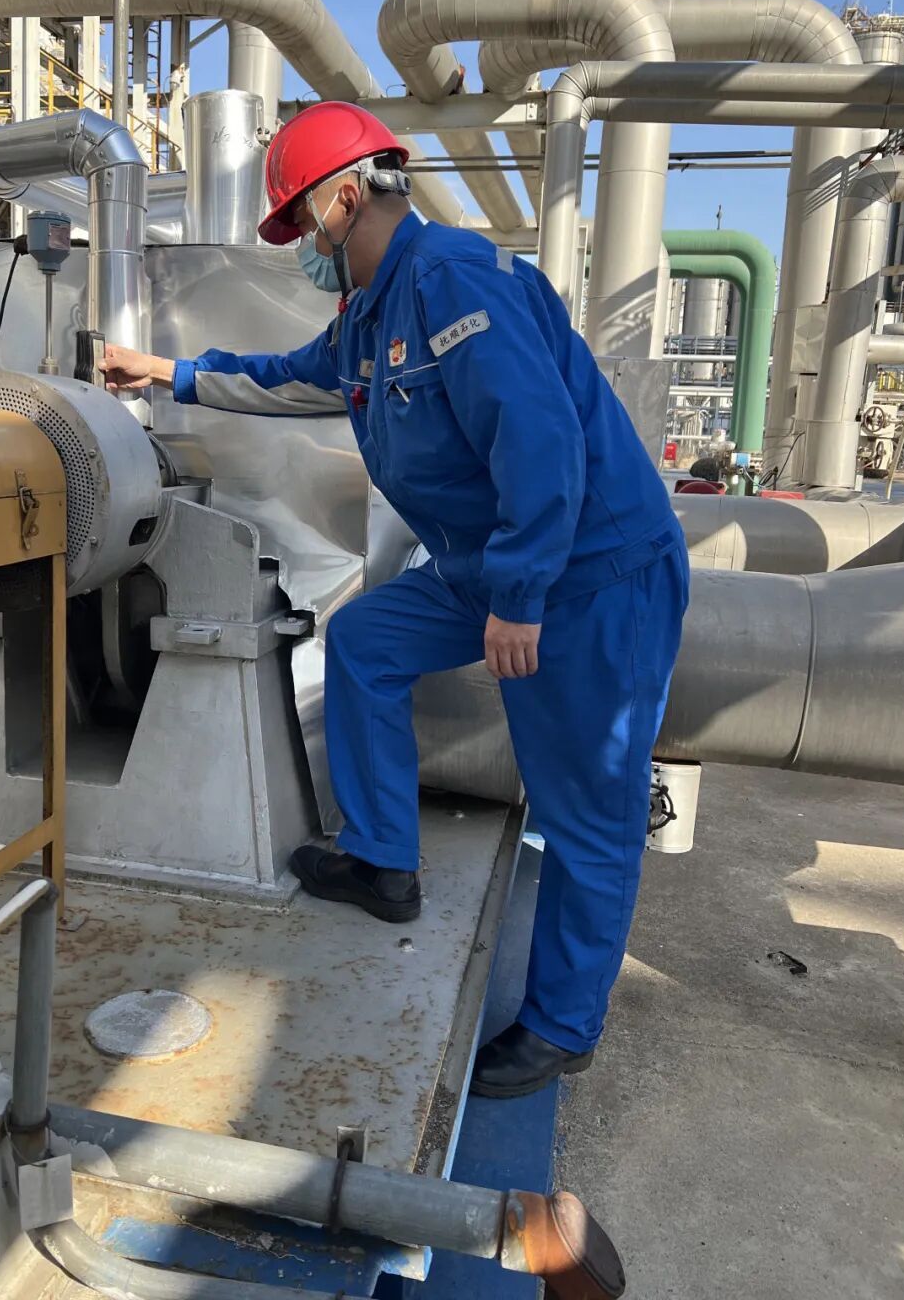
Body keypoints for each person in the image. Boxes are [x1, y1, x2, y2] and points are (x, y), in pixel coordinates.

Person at [100, 101, 689, 1100]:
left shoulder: (455, 281)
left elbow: (541, 442)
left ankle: (562, 1025)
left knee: (584, 804)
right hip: (486, 561)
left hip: (585, 572)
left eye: (301, 221)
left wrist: (521, 597)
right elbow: (293, 378)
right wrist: (168, 372)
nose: (301, 245)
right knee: (369, 639)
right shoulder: (372, 311)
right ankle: (385, 862)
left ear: (345, 199)